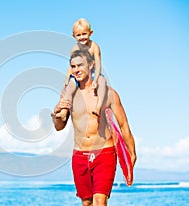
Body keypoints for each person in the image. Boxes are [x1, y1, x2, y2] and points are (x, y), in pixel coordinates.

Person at [51, 49, 136, 206]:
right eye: (73, 66)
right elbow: (59, 126)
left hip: (104, 153)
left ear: (91, 65)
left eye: (80, 65)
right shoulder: (69, 94)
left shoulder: (108, 94)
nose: (76, 70)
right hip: (79, 155)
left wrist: (132, 153)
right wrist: (55, 115)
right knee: (87, 203)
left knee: (99, 201)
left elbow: (124, 125)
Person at [58, 18, 107, 121]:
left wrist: (96, 79)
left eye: (84, 34)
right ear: (74, 36)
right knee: (69, 88)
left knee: (103, 82)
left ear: (90, 33)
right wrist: (67, 80)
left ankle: (98, 107)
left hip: (93, 72)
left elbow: (98, 64)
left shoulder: (94, 47)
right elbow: (72, 66)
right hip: (78, 73)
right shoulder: (74, 49)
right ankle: (64, 111)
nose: (82, 37)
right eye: (78, 35)